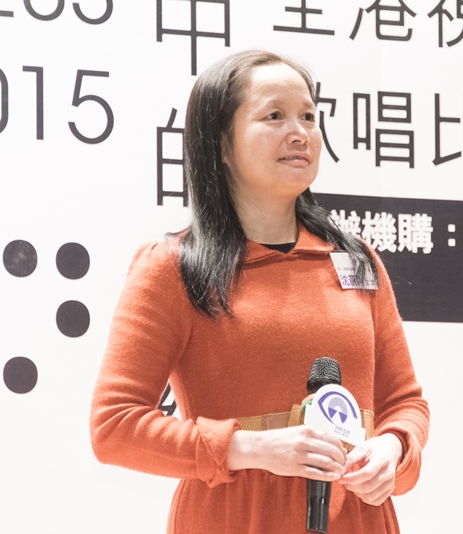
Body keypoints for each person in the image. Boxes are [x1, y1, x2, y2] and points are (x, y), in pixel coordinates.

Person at [90, 50, 430, 533]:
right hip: (236, 519)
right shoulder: (173, 267)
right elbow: (114, 426)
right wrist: (252, 448)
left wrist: (392, 449)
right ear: (221, 145)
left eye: (308, 117)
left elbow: (405, 403)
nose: (300, 133)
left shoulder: (357, 260)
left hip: (358, 518)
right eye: (274, 116)